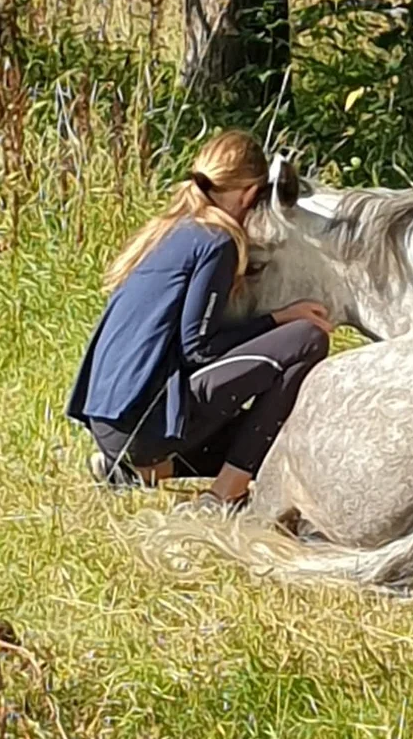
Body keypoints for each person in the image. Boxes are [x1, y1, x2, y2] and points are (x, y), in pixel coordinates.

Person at [66, 130, 331, 513]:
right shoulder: (217, 240)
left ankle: (139, 472)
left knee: (269, 436)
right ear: (250, 194)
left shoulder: (171, 230)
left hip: (110, 426)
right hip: (142, 426)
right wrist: (279, 319)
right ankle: (224, 495)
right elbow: (199, 347)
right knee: (306, 338)